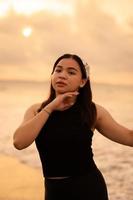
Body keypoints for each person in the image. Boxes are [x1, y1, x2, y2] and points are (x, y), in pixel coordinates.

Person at [13, 53, 133, 200]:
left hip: (88, 190)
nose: (62, 75)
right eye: (58, 70)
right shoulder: (36, 110)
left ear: (83, 81)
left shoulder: (92, 112)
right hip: (54, 192)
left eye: (71, 72)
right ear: (52, 76)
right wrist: (51, 107)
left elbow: (129, 137)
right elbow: (19, 142)